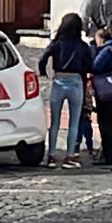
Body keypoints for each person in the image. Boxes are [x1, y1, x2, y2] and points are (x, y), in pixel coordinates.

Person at [37, 13, 92, 169]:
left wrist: (44, 72)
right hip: (76, 81)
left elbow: (42, 59)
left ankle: (52, 156)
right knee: (73, 122)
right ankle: (69, 157)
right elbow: (89, 65)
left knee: (54, 122)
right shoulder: (82, 46)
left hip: (59, 80)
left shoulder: (57, 43)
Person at [91, 28, 112, 166]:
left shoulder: (106, 50)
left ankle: (108, 154)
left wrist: (94, 50)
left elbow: (96, 66)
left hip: (105, 89)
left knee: (105, 122)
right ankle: (111, 153)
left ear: (101, 38)